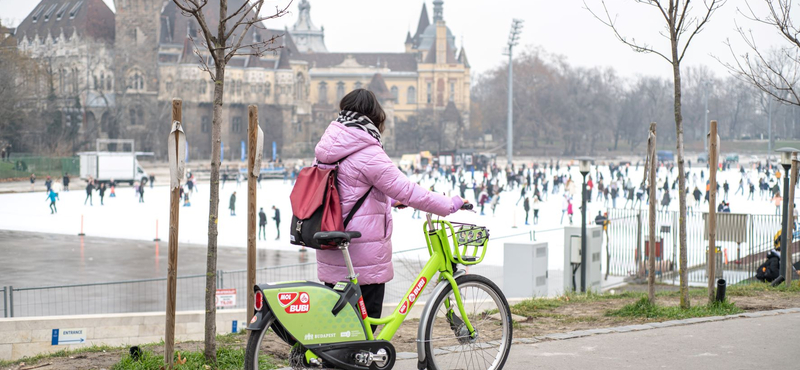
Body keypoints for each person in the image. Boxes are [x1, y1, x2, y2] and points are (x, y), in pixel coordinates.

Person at [312, 89, 467, 329]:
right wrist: (449, 204)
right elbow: (407, 190)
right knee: (366, 329)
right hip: (363, 253)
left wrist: (390, 200)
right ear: (374, 117)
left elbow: (345, 192)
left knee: (340, 327)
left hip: (330, 244)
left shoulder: (326, 148)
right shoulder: (368, 152)